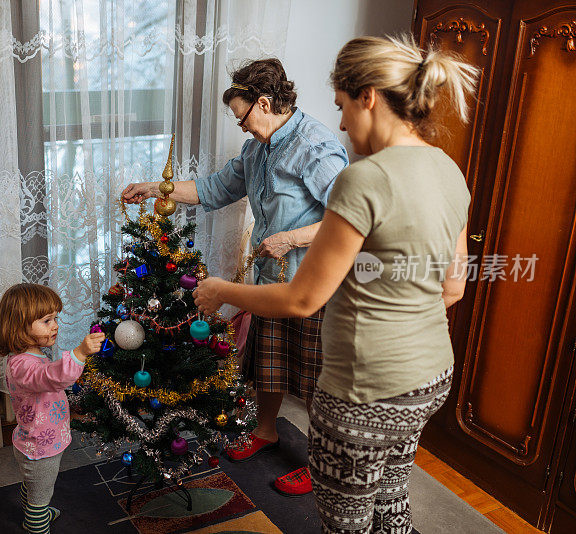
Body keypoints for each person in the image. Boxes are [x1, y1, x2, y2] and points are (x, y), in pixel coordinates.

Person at [193, 35, 478, 533]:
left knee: (345, 521)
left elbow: (303, 299)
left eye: (344, 106)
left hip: (364, 392)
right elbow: (454, 287)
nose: (342, 122)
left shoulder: (362, 179)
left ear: (368, 96)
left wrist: (220, 290)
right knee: (390, 506)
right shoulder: (450, 169)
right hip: (429, 378)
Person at [123, 58, 348, 496]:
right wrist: (154, 188)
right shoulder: (256, 149)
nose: (241, 127)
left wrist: (291, 237)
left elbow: (350, 218)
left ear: (265, 103)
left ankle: (322, 464)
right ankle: (266, 431)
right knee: (268, 362)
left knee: (317, 378)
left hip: (312, 282)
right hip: (269, 281)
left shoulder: (315, 146)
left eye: (242, 117)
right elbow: (211, 189)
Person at [0, 283, 105, 534]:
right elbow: (51, 377)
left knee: (36, 484)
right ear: (20, 326)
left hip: (42, 442)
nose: (55, 325)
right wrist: (79, 353)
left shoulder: (32, 355)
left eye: (55, 318)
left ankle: (36, 506)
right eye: (46, 320)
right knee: (42, 490)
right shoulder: (22, 365)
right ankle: (36, 520)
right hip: (39, 448)